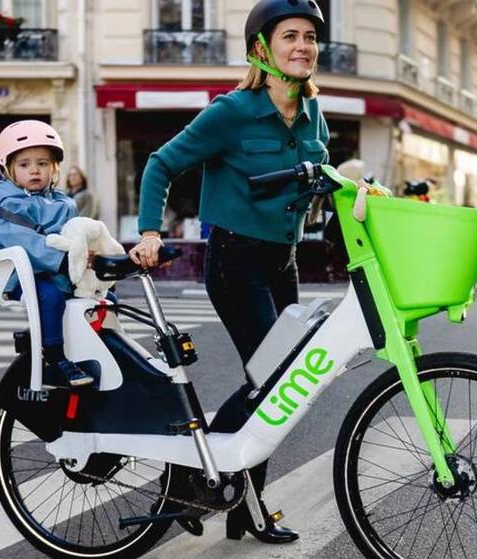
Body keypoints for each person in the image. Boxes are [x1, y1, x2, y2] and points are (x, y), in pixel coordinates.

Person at [128, 0, 329, 545]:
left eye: (311, 36)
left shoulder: (313, 113)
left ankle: (243, 506)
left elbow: (319, 181)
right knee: (272, 379)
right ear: (262, 49)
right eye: (291, 36)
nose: (304, 46)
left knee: (275, 385)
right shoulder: (232, 111)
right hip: (235, 259)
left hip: (282, 261)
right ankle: (196, 480)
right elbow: (161, 163)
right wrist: (150, 230)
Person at [0, 120, 94, 388]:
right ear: (8, 169)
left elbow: (75, 231)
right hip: (23, 275)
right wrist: (66, 261)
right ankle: (55, 355)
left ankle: (94, 347)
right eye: (24, 165)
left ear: (54, 168)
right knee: (51, 296)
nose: (34, 170)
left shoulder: (62, 201)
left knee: (102, 296)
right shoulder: (8, 203)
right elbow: (20, 240)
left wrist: (92, 251)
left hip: (62, 269)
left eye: (43, 163)